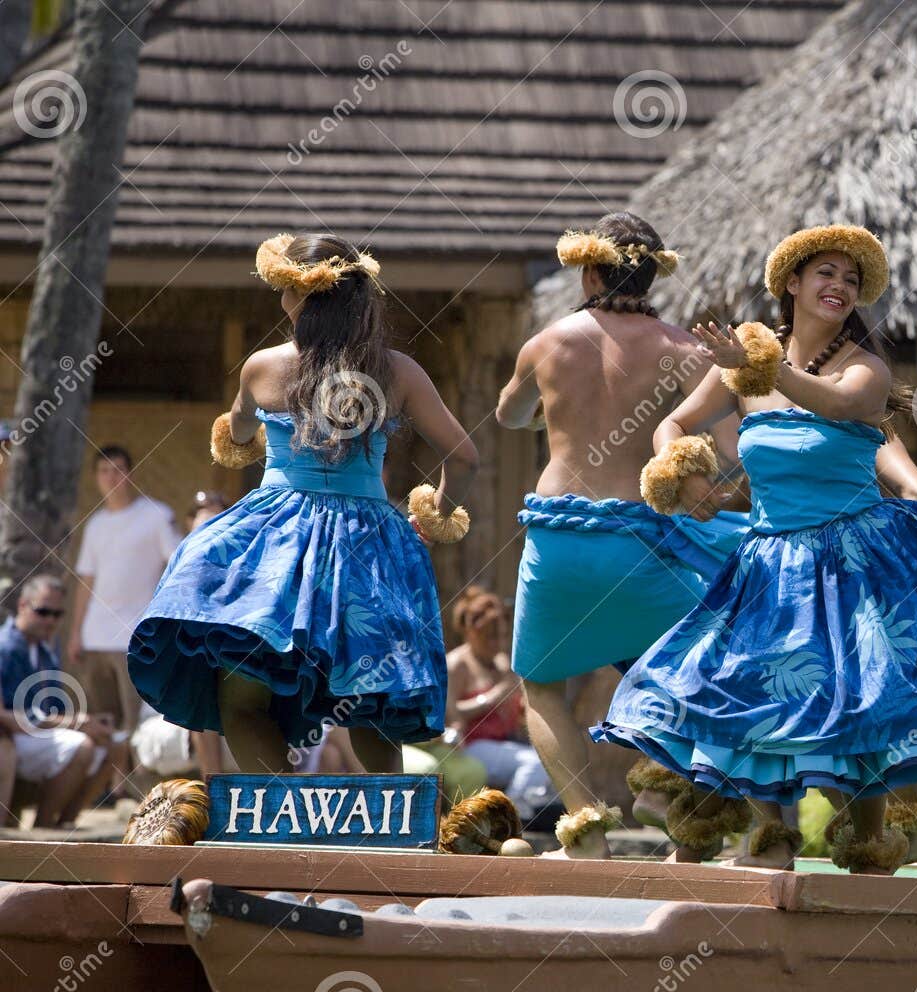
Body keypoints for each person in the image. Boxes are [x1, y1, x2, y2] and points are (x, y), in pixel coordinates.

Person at [594, 224, 917, 875]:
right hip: (768, 564)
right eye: (826, 272)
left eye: (851, 279)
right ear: (791, 282)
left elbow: (836, 404)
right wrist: (681, 465)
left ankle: (869, 853)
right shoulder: (746, 362)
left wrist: (761, 366)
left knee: (860, 702)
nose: (839, 286)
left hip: (852, 563)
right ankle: (760, 838)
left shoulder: (864, 369)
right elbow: (674, 421)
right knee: (736, 688)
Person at [128, 232, 478, 777]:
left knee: (242, 698)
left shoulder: (262, 367)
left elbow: (234, 436)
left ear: (297, 296)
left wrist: (248, 435)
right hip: (368, 546)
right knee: (369, 705)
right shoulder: (398, 371)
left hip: (277, 542)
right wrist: (435, 511)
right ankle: (389, 823)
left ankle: (281, 816)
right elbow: (465, 457)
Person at [497, 213, 747, 859]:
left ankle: (585, 831)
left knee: (542, 686)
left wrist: (556, 406)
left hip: (559, 538)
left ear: (589, 270)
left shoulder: (547, 343)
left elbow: (510, 414)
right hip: (642, 543)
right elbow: (731, 454)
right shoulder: (686, 352)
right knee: (688, 677)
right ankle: (678, 807)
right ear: (652, 274)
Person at [68, 445, 180, 733]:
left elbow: (178, 566)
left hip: (136, 638)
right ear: (96, 477)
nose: (112, 477)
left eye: (118, 470)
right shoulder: (95, 524)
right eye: (104, 471)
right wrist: (76, 633)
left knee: (135, 727)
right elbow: (86, 581)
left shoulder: (156, 515)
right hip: (95, 639)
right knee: (102, 727)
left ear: (130, 474)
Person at [0, 575, 117, 827]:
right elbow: (8, 716)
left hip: (39, 734)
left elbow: (55, 708)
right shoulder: (4, 647)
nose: (50, 620)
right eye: (43, 612)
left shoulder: (46, 649)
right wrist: (76, 723)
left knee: (116, 744)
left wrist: (88, 722)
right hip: (13, 737)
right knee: (82, 747)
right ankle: (43, 827)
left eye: (57, 614)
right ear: (22, 605)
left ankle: (64, 825)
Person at [445, 587, 554, 822]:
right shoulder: (456, 664)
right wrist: (494, 695)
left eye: (502, 636)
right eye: (490, 637)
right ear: (471, 631)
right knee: (533, 762)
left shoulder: (501, 661)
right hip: (470, 744)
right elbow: (452, 715)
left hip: (504, 743)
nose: (497, 643)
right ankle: (507, 818)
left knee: (548, 758)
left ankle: (516, 815)